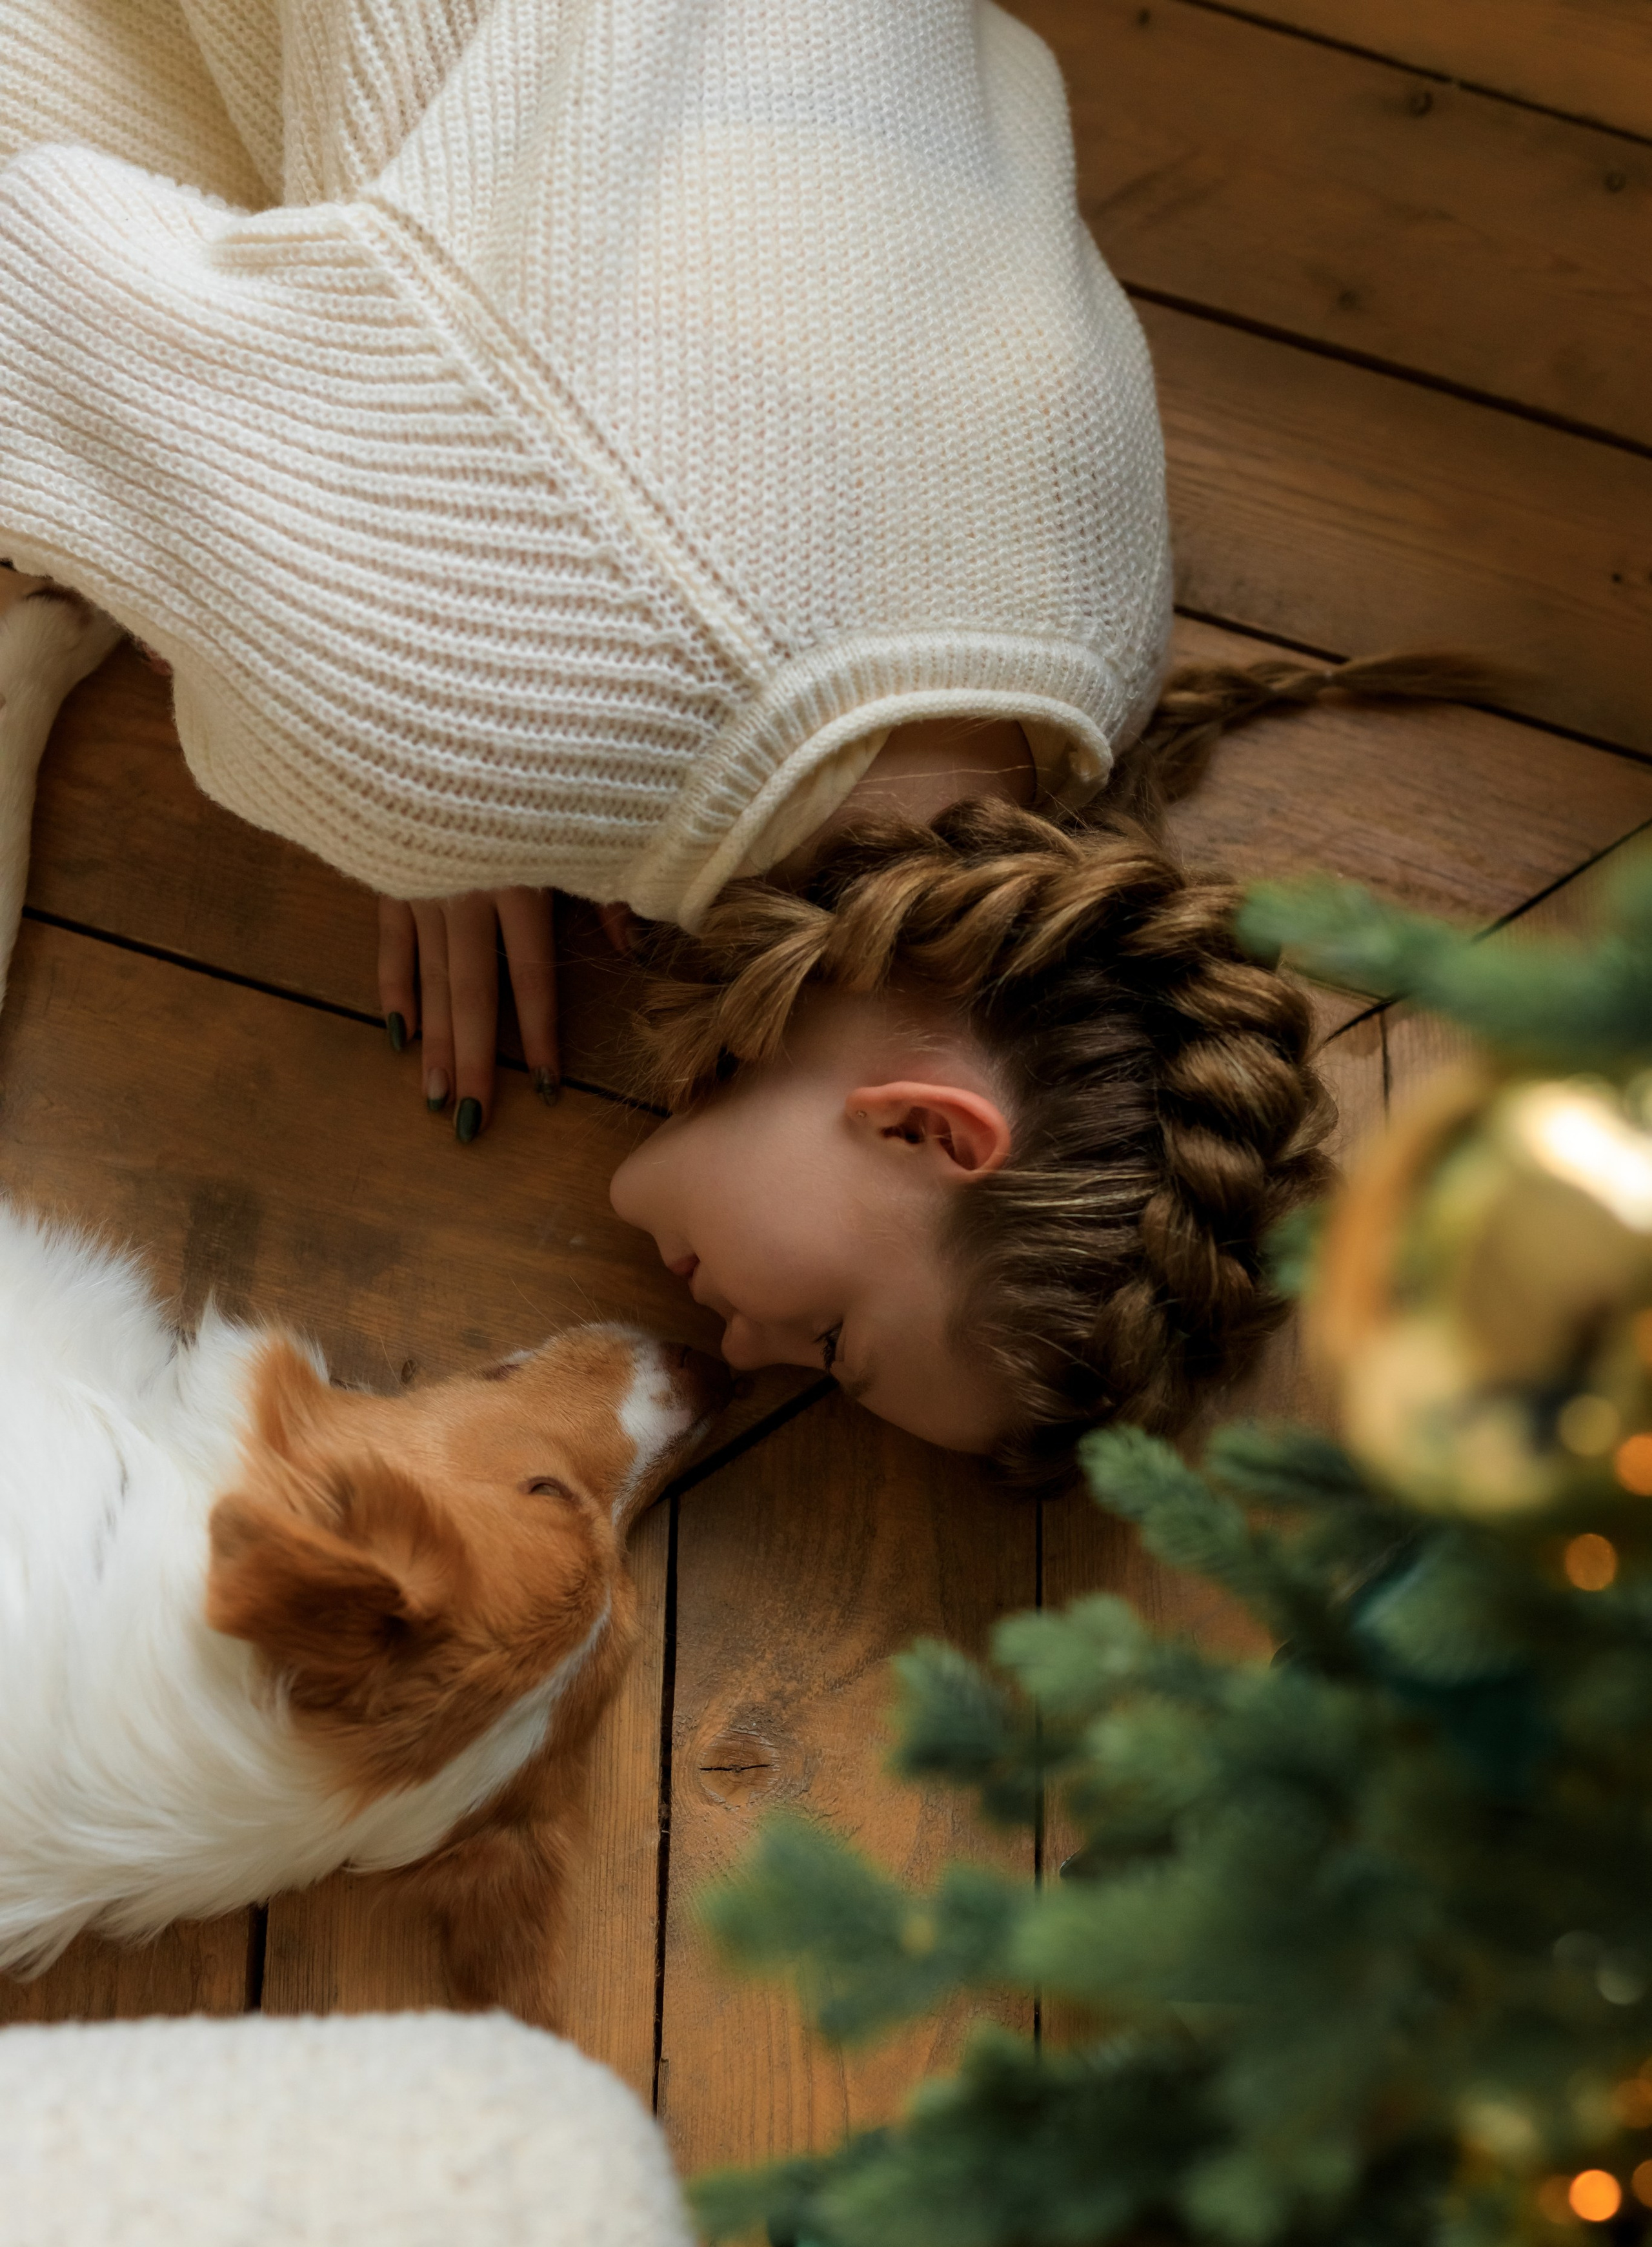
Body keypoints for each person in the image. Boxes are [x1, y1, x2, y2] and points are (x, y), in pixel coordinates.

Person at [0, 0, 1471, 1478]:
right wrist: (407, 735)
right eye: (833, 1343)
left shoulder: (1090, 650)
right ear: (929, 1134)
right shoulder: (479, 703)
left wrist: (396, 554)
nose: (743, 1358)